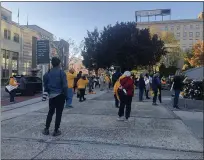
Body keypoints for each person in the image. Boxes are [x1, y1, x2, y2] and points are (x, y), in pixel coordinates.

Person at [42, 57, 67, 136]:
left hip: (51, 96)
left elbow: (45, 85)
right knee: (59, 113)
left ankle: (46, 129)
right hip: (60, 95)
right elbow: (65, 86)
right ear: (59, 63)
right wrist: (65, 95)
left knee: (50, 112)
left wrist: (48, 92)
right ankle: (56, 131)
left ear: (52, 64)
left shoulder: (47, 73)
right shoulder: (61, 73)